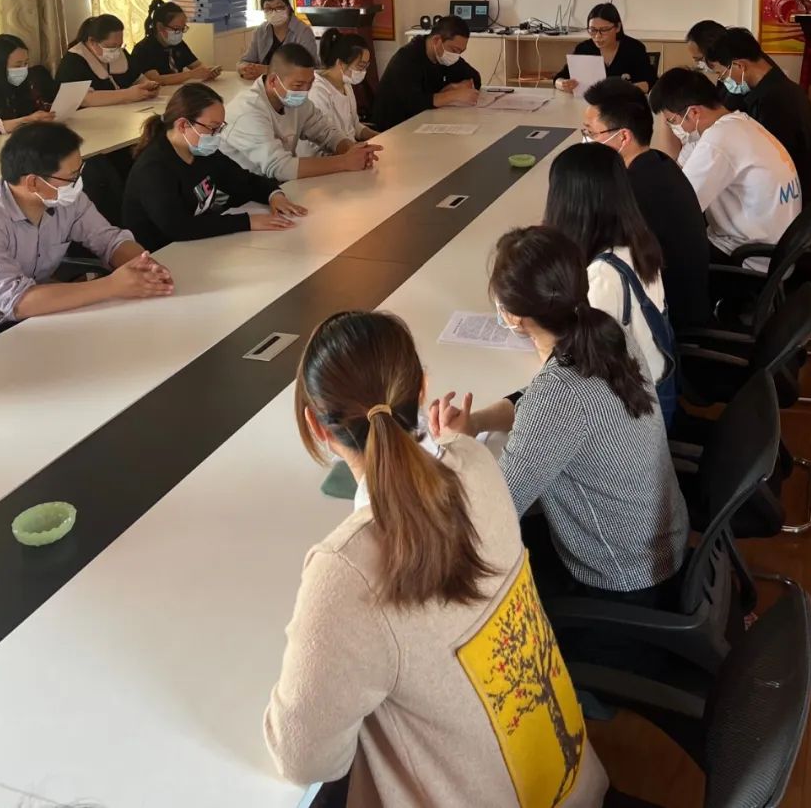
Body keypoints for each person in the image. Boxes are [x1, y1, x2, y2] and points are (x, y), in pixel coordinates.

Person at [265, 309, 607, 808]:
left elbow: (305, 760)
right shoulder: (475, 462)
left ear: (316, 426)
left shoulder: (347, 571)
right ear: (422, 389)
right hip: (573, 782)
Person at [431, 226, 688, 607]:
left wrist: (454, 449)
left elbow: (495, 510)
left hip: (624, 578)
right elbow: (535, 401)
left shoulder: (559, 395)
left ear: (515, 317)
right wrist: (477, 423)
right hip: (659, 541)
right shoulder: (608, 332)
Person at [0, 122, 173, 356]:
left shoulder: (64, 198)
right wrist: (113, 285)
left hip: (32, 316)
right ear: (33, 182)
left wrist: (144, 265)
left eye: (80, 171)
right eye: (71, 177)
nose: (78, 183)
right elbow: (18, 302)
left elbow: (109, 240)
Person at [582, 79, 711, 336]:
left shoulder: (635, 194)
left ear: (623, 136)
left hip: (667, 323)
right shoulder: (658, 163)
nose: (586, 140)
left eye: (591, 133)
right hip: (685, 299)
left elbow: (595, 264)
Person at [544, 142, 671, 399]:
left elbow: (579, 371)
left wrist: (534, 331)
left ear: (568, 204)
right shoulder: (636, 241)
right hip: (655, 387)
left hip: (635, 408)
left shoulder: (602, 276)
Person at [121, 82, 305, 251]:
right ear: (183, 125)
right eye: (212, 128)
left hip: (198, 244)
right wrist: (247, 221)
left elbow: (243, 181)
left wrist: (274, 195)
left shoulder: (202, 152)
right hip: (161, 253)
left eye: (220, 128)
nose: (217, 135)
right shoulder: (153, 168)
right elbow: (178, 227)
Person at [649, 67, 802, 264]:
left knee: (660, 251)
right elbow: (677, 169)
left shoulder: (718, 141)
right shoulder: (736, 123)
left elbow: (678, 209)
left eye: (672, 121)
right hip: (772, 245)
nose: (673, 128)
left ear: (694, 112)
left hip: (750, 257)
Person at [223, 43, 381, 181]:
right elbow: (280, 167)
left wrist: (351, 149)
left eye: (310, 84)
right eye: (298, 85)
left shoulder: (296, 101)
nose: (305, 91)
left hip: (274, 187)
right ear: (273, 81)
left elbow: (326, 131)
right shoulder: (249, 112)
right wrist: (344, 162)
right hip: (239, 195)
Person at [706, 26, 811, 191]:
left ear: (739, 65)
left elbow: (768, 160)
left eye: (722, 74)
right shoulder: (779, 87)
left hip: (785, 188)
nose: (724, 81)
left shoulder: (774, 102)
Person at [370, 15, 480, 132]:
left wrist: (456, 87)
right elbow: (414, 103)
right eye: (454, 50)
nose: (456, 56)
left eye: (460, 52)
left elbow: (475, 77)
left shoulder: (444, 57)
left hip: (425, 122)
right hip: (394, 128)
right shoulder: (407, 58)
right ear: (436, 40)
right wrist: (453, 95)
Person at [298, 29, 375, 158]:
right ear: (340, 63)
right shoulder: (317, 91)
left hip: (348, 151)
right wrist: (355, 151)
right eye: (360, 66)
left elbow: (355, 126)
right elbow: (324, 141)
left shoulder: (346, 84)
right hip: (323, 159)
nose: (363, 72)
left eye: (366, 67)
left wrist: (380, 136)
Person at [57, 15, 160, 107]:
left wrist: (149, 87)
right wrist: (127, 94)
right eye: (111, 46)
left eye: (119, 45)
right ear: (92, 41)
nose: (117, 50)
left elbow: (138, 78)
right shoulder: (73, 61)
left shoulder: (120, 53)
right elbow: (83, 99)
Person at [556, 3, 654, 95]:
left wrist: (627, 89)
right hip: (589, 103)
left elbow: (651, 82)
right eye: (593, 30)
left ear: (618, 27)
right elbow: (559, 77)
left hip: (626, 103)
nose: (598, 36)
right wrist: (563, 84)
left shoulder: (634, 48)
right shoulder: (584, 48)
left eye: (604, 30)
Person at [130, 0, 220, 86]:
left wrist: (208, 72)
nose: (180, 33)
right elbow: (156, 79)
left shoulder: (178, 44)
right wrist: (190, 74)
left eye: (182, 28)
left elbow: (197, 65)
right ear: (160, 27)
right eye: (176, 29)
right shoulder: (143, 49)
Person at [238, 0, 318, 81]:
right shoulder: (260, 31)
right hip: (264, 85)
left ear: (288, 7)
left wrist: (267, 70)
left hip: (295, 85)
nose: (274, 12)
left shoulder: (303, 31)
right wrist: (245, 69)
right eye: (268, 8)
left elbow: (308, 68)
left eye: (279, 7)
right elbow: (244, 61)